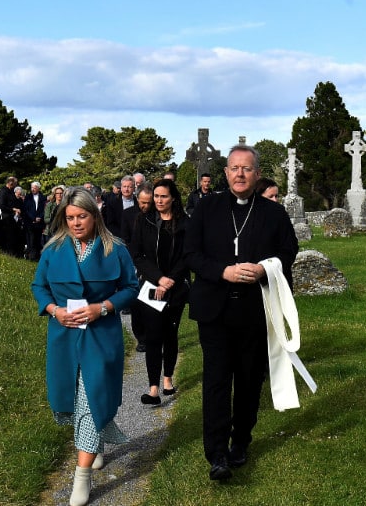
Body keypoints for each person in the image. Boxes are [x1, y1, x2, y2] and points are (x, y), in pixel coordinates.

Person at [185, 145, 299, 481]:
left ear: (257, 174)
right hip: (215, 310)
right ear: (226, 173)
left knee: (250, 381)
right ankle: (217, 453)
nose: (239, 174)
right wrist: (224, 272)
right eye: (234, 168)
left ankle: (241, 441)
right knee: (217, 381)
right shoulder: (207, 207)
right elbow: (191, 254)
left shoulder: (274, 213)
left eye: (246, 169)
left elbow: (288, 251)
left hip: (255, 310)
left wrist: (264, 269)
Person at [29, 187, 139, 506]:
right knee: (76, 397)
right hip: (64, 336)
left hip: (101, 335)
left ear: (95, 215)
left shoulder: (114, 248)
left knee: (92, 396)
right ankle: (98, 443)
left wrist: (102, 307)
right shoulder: (53, 249)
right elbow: (40, 286)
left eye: (82, 216)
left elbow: (130, 287)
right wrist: (54, 311)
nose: (76, 223)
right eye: (70, 217)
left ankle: (82, 475)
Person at [130, 179, 190, 405]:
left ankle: (168, 379)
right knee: (153, 336)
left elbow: (188, 255)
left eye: (163, 196)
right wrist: (159, 279)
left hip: (176, 288)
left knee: (170, 334)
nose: (159, 200)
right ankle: (153, 388)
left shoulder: (185, 223)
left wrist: (170, 280)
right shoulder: (143, 220)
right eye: (156, 196)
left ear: (173, 197)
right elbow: (137, 254)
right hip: (151, 287)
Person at [122, 185, 152, 352]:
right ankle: (141, 338)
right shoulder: (128, 214)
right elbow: (124, 238)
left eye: (148, 203)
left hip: (152, 265)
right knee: (136, 303)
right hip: (133, 262)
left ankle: (152, 336)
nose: (145, 206)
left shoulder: (156, 216)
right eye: (142, 202)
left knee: (151, 304)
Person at [24, 181, 47, 261]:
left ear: (38, 188)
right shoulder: (28, 197)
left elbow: (45, 209)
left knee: (38, 240)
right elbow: (26, 210)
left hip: (39, 223)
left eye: (34, 188)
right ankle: (31, 257)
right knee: (31, 240)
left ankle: (37, 256)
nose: (32, 189)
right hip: (30, 222)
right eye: (31, 188)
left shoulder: (43, 197)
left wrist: (39, 217)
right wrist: (33, 218)